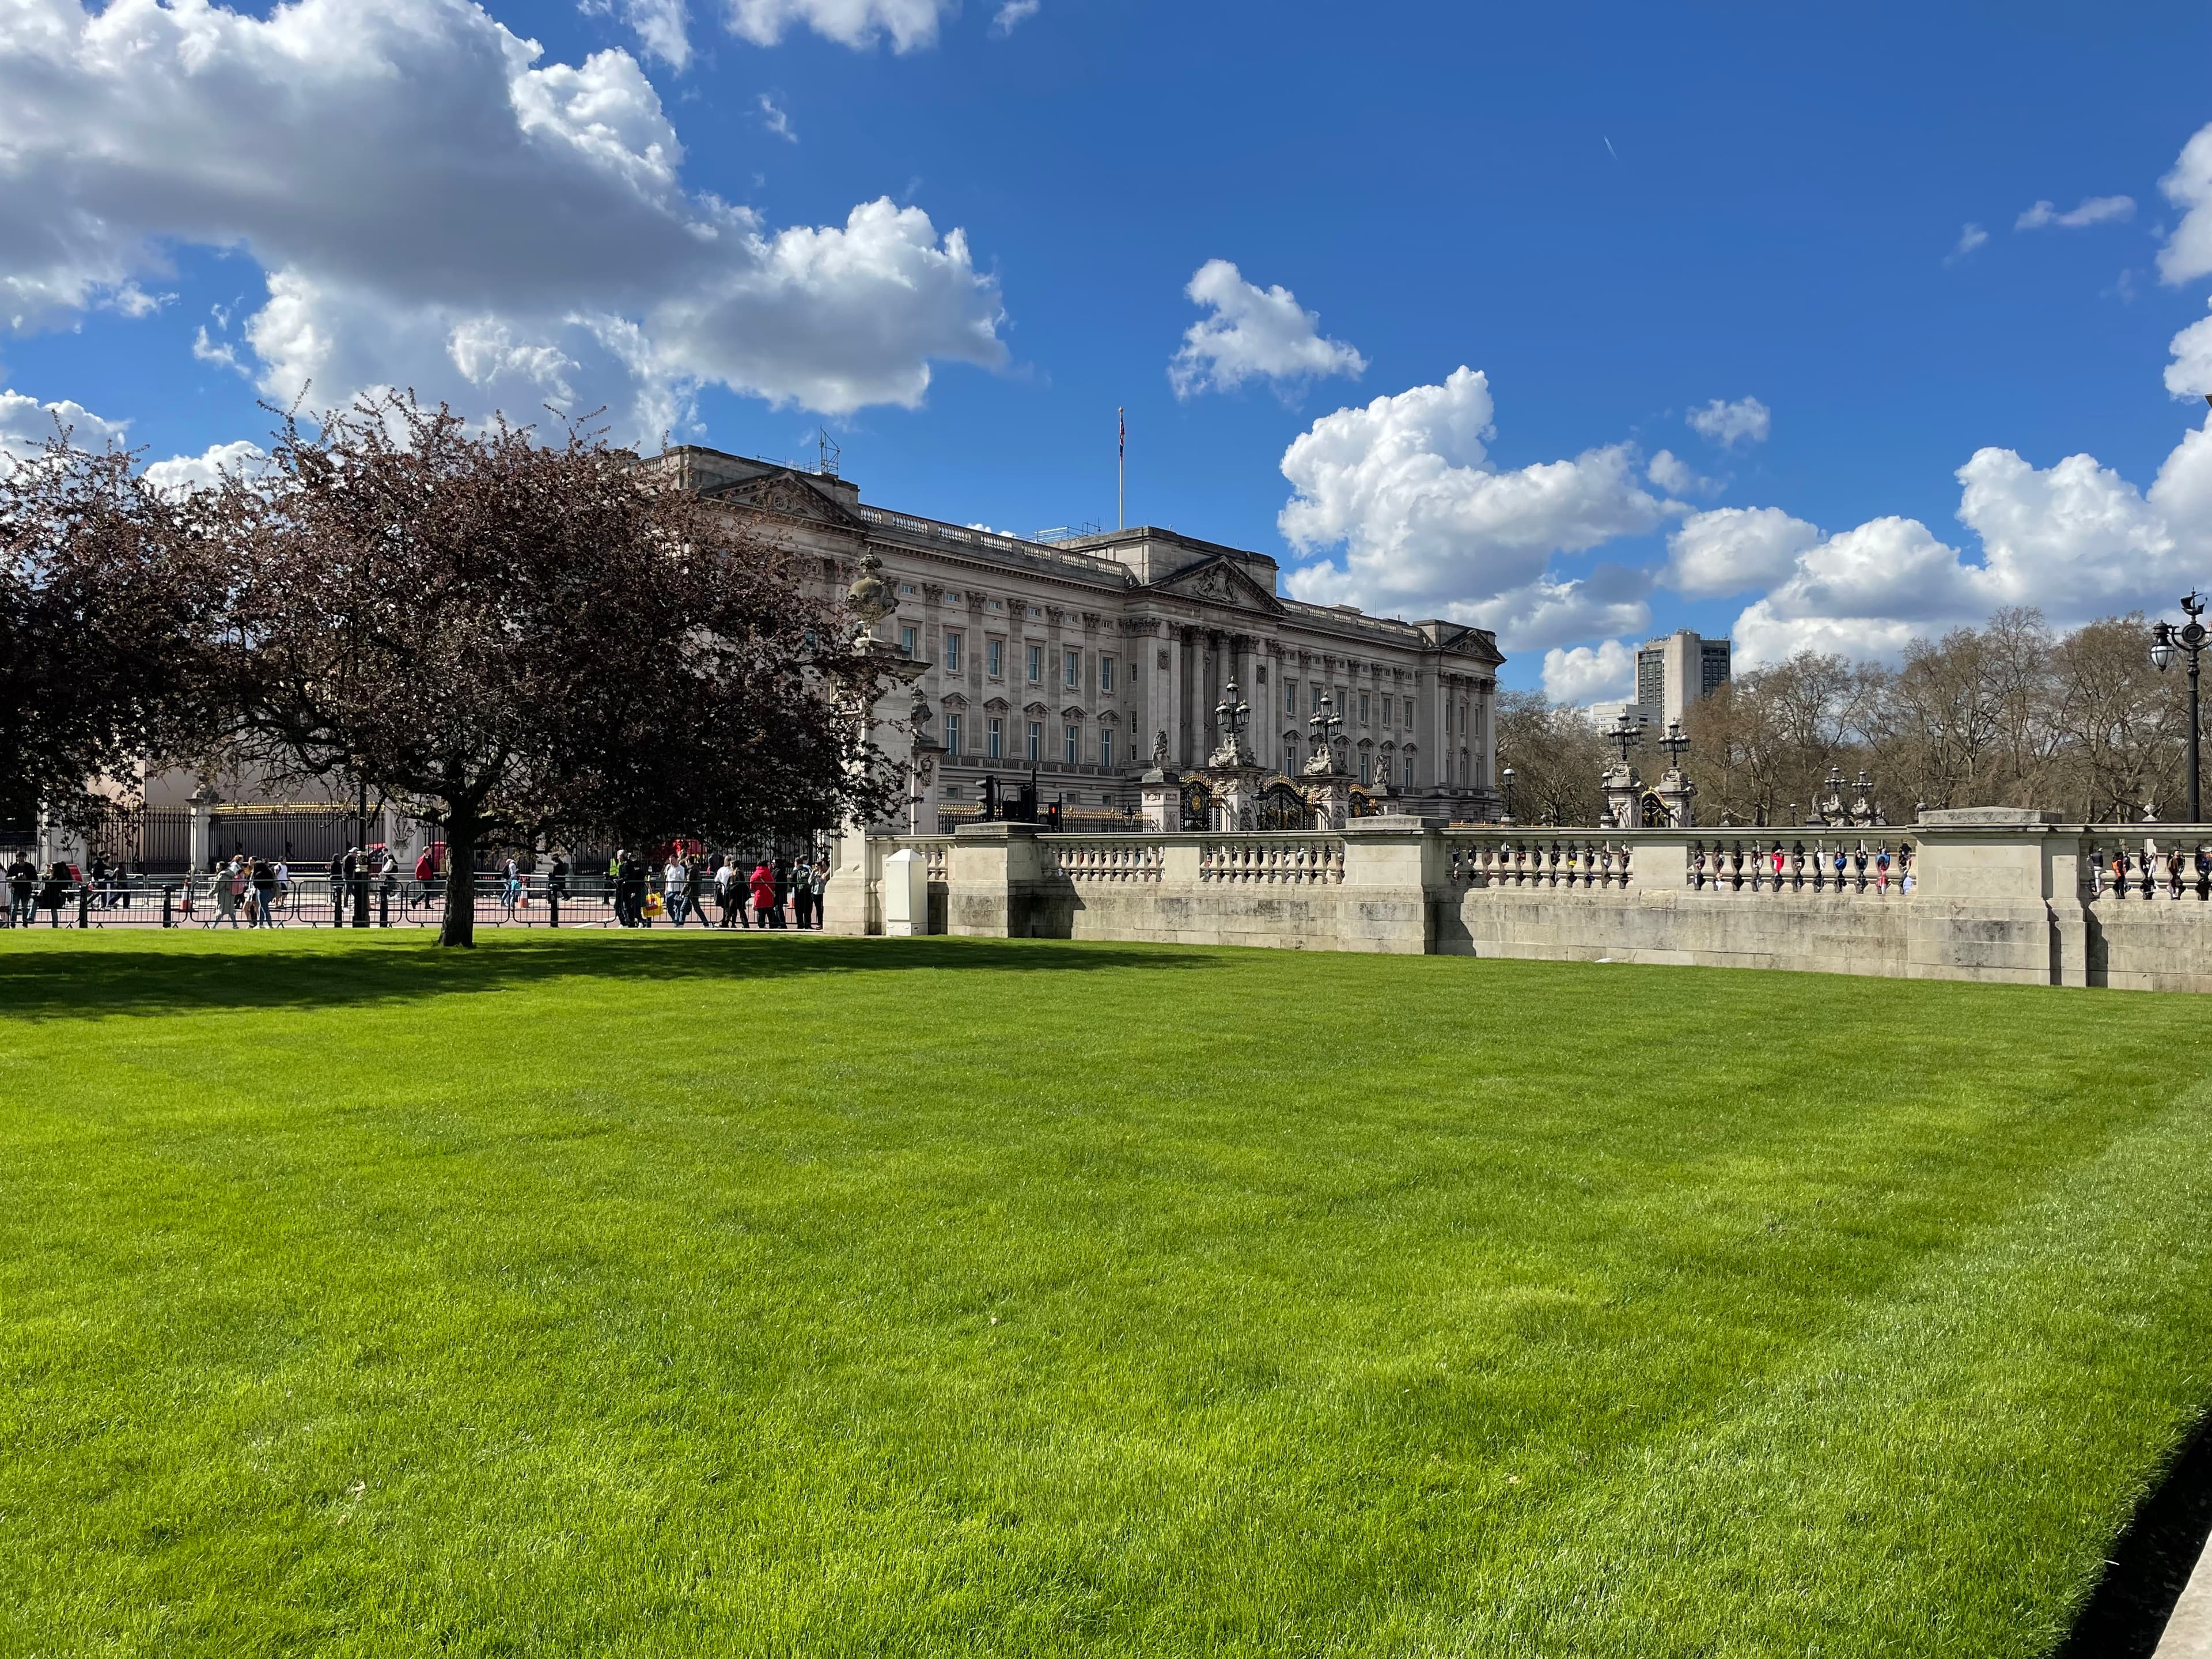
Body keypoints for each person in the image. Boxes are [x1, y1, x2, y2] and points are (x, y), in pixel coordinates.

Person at [40, 861, 71, 927]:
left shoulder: (58, 877)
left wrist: (45, 878)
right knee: (54, 910)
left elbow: (51, 883)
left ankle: (55, 925)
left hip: (53, 896)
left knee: (53, 910)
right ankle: (55, 925)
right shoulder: (55, 876)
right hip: (51, 895)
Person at [6, 855, 35, 927]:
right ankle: (13, 923)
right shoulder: (13, 867)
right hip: (16, 889)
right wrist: (13, 878)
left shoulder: (30, 867)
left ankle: (25, 923)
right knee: (14, 907)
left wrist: (27, 878)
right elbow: (7, 877)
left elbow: (35, 877)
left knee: (25, 907)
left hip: (26, 889)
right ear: (17, 859)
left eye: (23, 861)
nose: (21, 862)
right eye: (20, 861)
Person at [749, 858, 779, 929]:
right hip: (768, 895)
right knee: (770, 911)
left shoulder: (756, 873)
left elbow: (752, 885)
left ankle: (761, 925)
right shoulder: (767, 873)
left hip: (759, 894)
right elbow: (772, 884)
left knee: (760, 911)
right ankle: (773, 924)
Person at [664, 852, 690, 926]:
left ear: (676, 860)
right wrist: (666, 889)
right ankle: (675, 920)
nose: (671, 862)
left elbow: (683, 879)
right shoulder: (669, 868)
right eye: (670, 860)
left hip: (678, 890)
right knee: (669, 908)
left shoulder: (681, 868)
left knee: (678, 907)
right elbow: (667, 879)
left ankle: (677, 922)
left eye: (673, 860)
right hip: (670, 890)